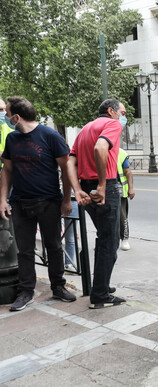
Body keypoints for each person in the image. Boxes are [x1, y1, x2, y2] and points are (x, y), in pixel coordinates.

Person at [0, 96, 77, 311]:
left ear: (17, 116)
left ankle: (58, 287)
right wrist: (2, 200)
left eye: (6, 113)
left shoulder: (50, 136)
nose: (5, 116)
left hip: (48, 202)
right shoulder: (12, 139)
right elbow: (7, 170)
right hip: (20, 203)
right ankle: (26, 292)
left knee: (53, 247)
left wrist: (66, 199)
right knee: (24, 250)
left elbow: (66, 169)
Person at [67, 98, 126, 309]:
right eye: (122, 112)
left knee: (103, 238)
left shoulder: (85, 128)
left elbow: (70, 161)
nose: (123, 117)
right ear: (111, 111)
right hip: (105, 187)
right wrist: (102, 185)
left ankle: (101, 285)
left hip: (86, 185)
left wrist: (77, 189)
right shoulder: (112, 124)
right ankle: (100, 295)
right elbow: (101, 148)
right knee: (110, 241)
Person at [117, 148, 135, 250]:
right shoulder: (100, 149)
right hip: (104, 189)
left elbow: (128, 171)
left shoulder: (121, 153)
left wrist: (131, 188)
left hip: (119, 189)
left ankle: (124, 239)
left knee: (122, 216)